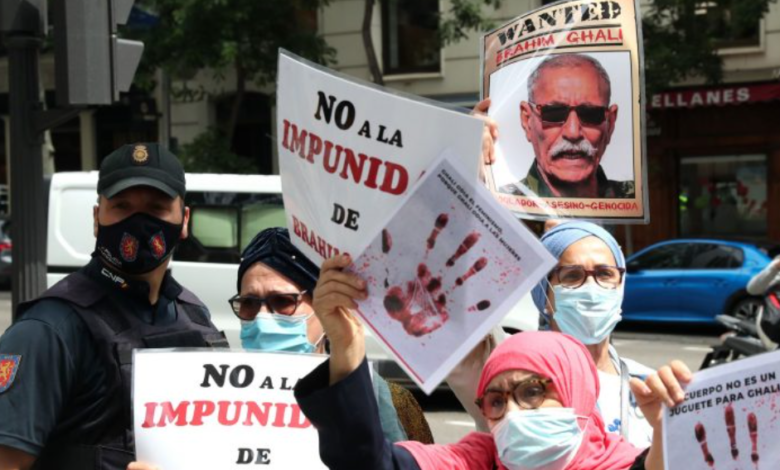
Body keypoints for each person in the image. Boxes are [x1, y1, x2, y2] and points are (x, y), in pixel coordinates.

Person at [293, 254, 692, 470]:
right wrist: (346, 346)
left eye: (532, 391)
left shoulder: (622, 464)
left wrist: (668, 435)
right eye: (496, 401)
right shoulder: (478, 462)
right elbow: (369, 464)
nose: (513, 414)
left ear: (578, 394)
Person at [0, 143, 227, 470]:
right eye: (122, 206)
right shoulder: (50, 327)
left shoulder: (195, 315)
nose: (139, 221)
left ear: (184, 220)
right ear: (97, 218)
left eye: (156, 207)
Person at [232, 227, 434, 444]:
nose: (262, 317)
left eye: (282, 301)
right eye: (249, 303)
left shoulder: (388, 401)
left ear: (326, 305)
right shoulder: (214, 394)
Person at [494, 54, 634, 199]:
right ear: (527, 121)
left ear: (610, 124)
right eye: (554, 113)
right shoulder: (496, 201)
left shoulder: (638, 199)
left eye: (590, 114)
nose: (573, 133)